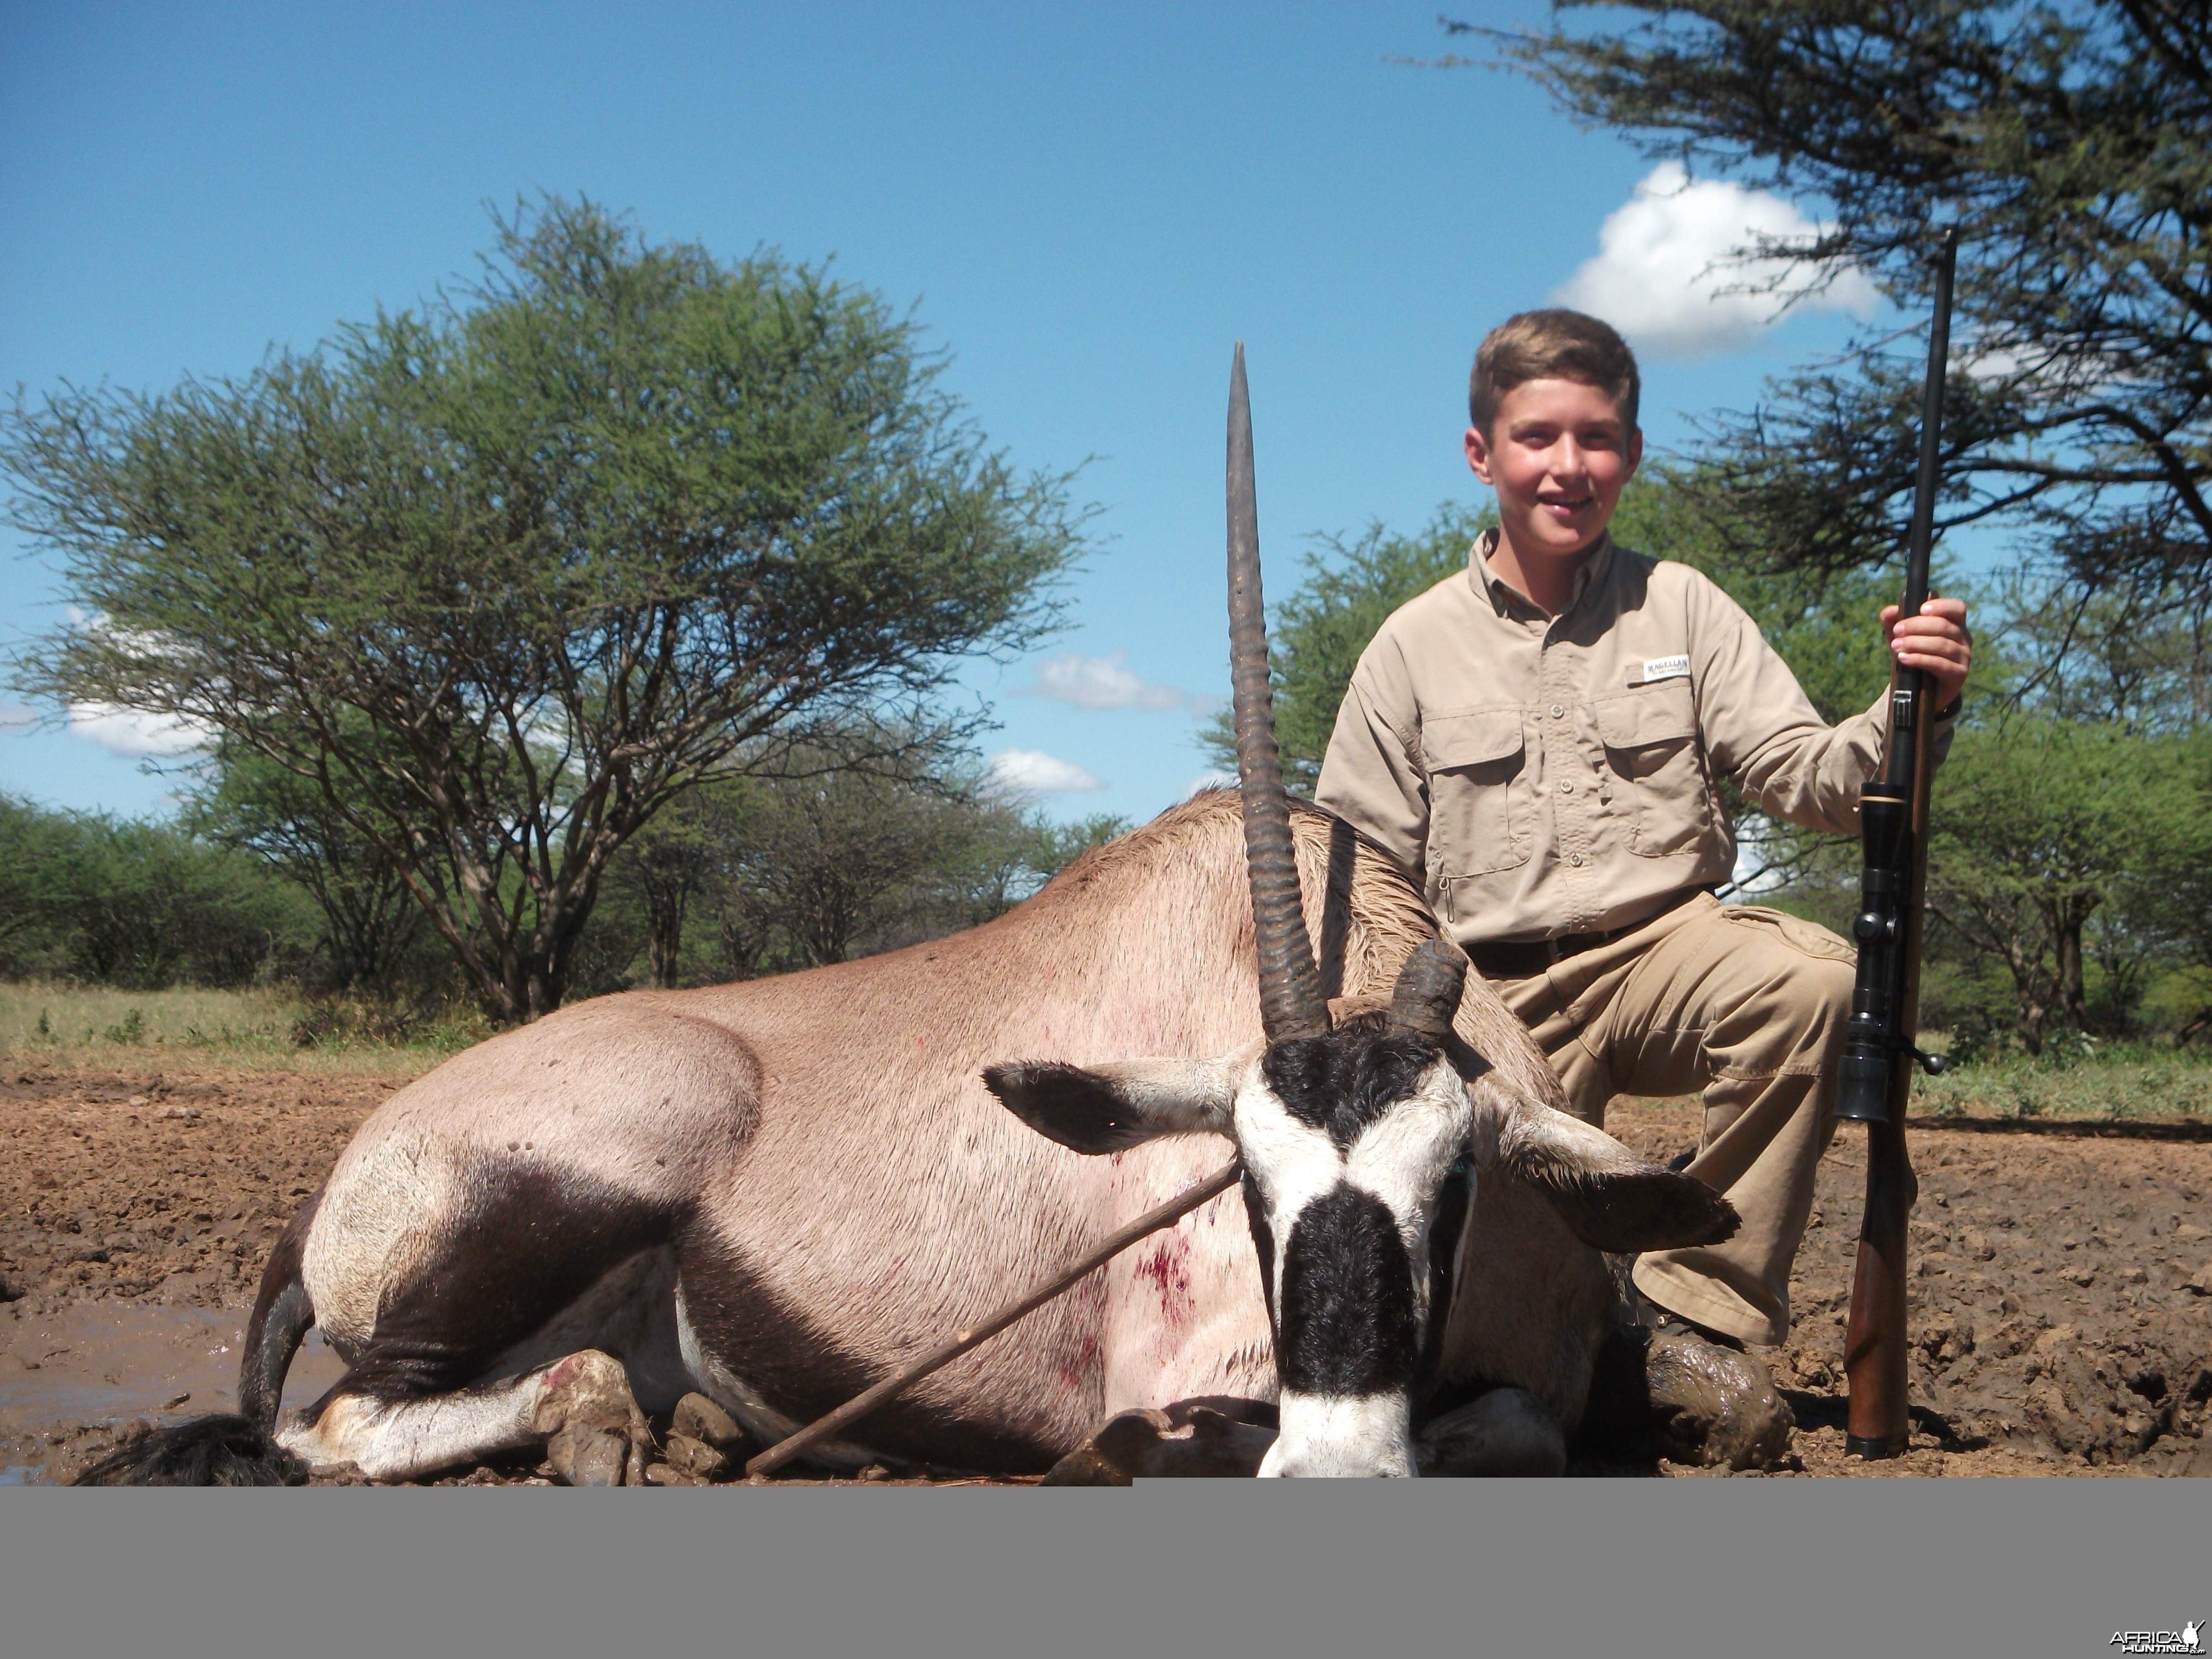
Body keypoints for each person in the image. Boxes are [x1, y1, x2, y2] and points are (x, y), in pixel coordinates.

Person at [1314, 309, 1973, 1352]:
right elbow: (1356, 875)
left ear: (1632, 453)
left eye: (1598, 438)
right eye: (1537, 438)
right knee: (1496, 1327)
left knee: (1813, 984)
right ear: (1482, 454)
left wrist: (1913, 705)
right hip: (1491, 998)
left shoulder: (1687, 607)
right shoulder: (1409, 645)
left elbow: (1817, 783)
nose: (1567, 466)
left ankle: (1693, 1321)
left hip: (1667, 951)